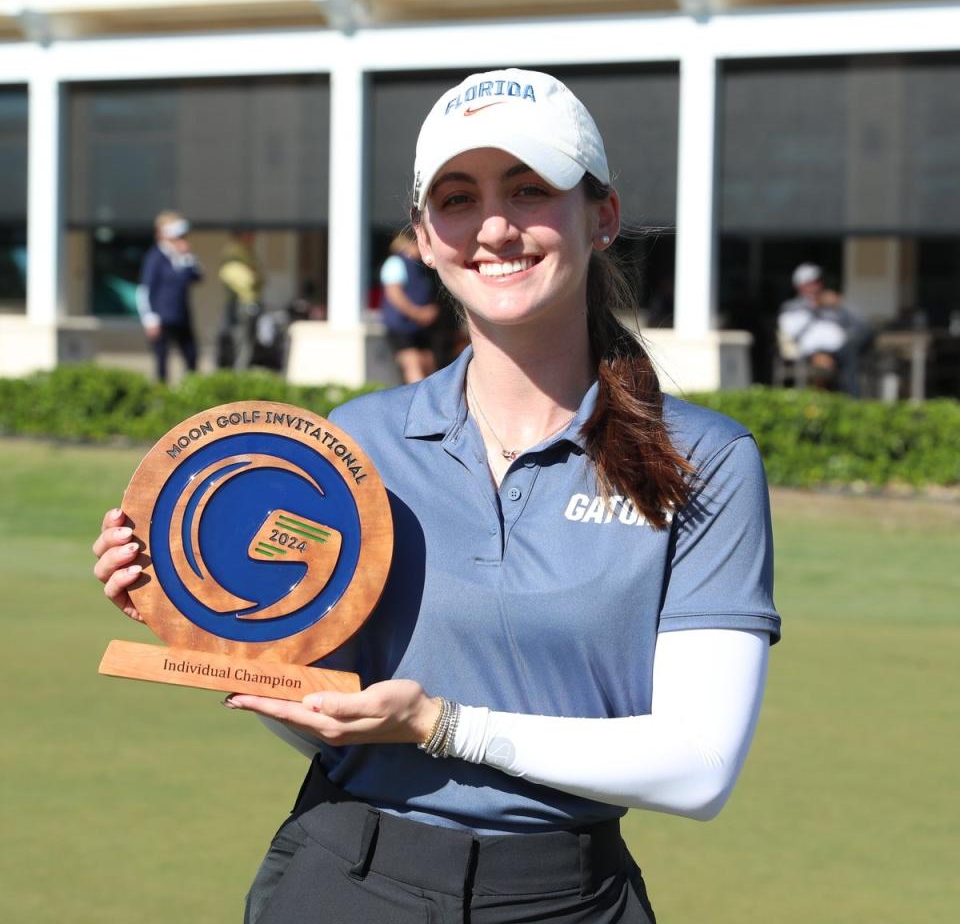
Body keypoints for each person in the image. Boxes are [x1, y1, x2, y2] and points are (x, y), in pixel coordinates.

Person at [94, 68, 781, 924]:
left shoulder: (703, 459)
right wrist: (201, 621)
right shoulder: (352, 444)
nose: (494, 226)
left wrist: (444, 724)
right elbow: (330, 715)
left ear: (601, 216)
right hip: (343, 875)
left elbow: (699, 766)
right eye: (457, 199)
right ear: (423, 236)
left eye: (529, 190)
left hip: (565, 899)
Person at [778, 262, 871, 394]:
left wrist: (841, 304)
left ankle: (851, 400)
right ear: (800, 286)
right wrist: (813, 309)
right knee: (848, 359)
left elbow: (861, 324)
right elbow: (793, 336)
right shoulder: (792, 307)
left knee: (861, 342)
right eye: (812, 283)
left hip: (842, 348)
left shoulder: (832, 306)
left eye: (818, 282)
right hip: (811, 353)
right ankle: (851, 399)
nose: (817, 286)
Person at [137, 211, 203, 382]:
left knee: (191, 356)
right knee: (162, 362)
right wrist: (150, 319)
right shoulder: (156, 257)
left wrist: (186, 257)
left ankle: (191, 391)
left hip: (181, 316)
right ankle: (161, 396)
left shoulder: (182, 257)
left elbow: (197, 276)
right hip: (162, 318)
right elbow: (144, 290)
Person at [379, 227, 440, 383]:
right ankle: (419, 405)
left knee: (428, 364)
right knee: (412, 364)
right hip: (401, 327)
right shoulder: (395, 263)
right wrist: (417, 313)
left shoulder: (422, 268)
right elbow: (394, 295)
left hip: (420, 328)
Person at [216, 229, 264, 370]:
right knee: (241, 343)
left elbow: (261, 278)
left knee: (247, 342)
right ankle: (239, 374)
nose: (253, 237)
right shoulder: (234, 253)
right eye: (250, 233)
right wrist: (253, 275)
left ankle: (241, 371)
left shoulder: (247, 251)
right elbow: (248, 280)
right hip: (241, 304)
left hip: (248, 303)